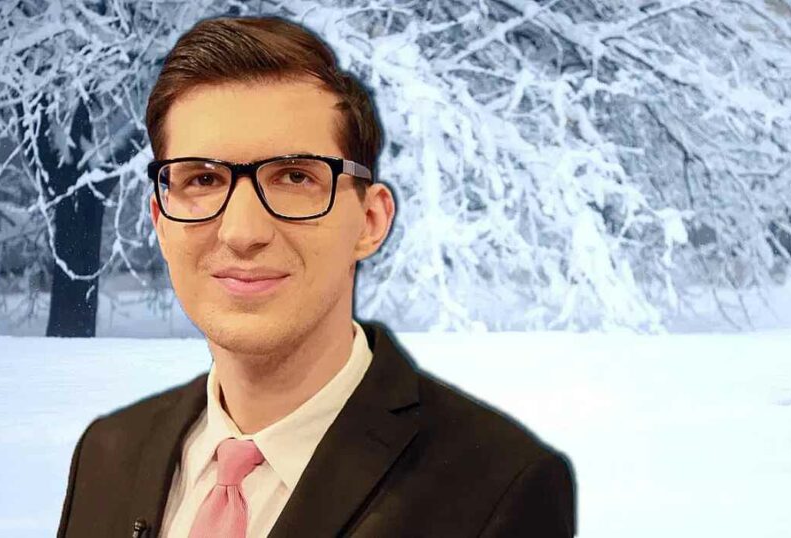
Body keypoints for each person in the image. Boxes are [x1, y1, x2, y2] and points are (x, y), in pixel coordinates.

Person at [57, 16, 575, 538]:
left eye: (294, 177)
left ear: (370, 221)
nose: (242, 232)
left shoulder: (499, 490)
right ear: (161, 223)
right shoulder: (106, 456)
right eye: (204, 179)